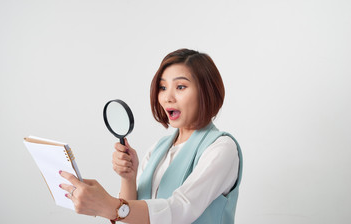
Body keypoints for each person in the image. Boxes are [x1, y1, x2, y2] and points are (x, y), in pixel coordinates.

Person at [59, 48, 243, 224]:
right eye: (162, 87)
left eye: (180, 86)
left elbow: (179, 210)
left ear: (206, 91)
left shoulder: (222, 148)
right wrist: (128, 178)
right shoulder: (159, 149)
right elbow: (132, 217)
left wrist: (108, 206)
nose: (167, 97)